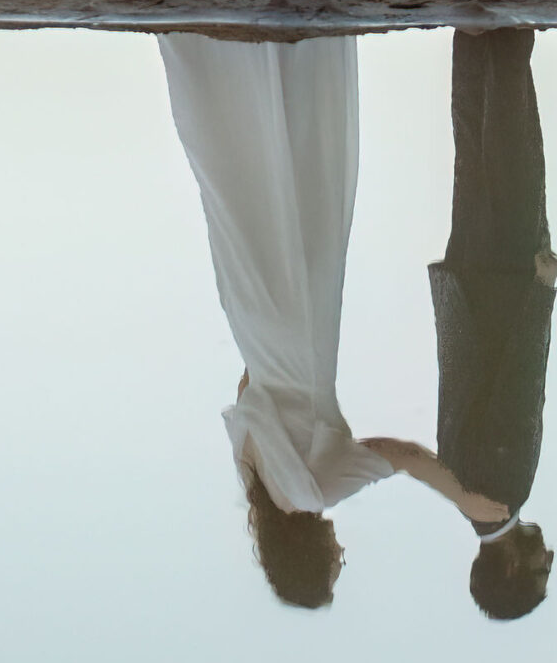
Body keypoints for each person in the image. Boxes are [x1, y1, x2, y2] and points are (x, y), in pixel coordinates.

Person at [162, 31, 510, 609]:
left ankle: (297, 56)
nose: (342, 556)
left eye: (332, 567)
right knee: (249, 195)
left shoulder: (314, 491)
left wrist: (464, 501)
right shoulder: (253, 471)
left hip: (303, 334)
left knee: (311, 189)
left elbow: (403, 456)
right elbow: (248, 389)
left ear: (312, 555)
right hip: (254, 323)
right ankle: (244, 63)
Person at [426, 27, 557, 620]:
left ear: (508, 568)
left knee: (512, 149)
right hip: (467, 286)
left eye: (539, 571)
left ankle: (506, 24)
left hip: (507, 286)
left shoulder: (506, 489)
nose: (549, 558)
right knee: (475, 155)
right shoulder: (460, 489)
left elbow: (519, 385)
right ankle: (471, 30)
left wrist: (542, 291)